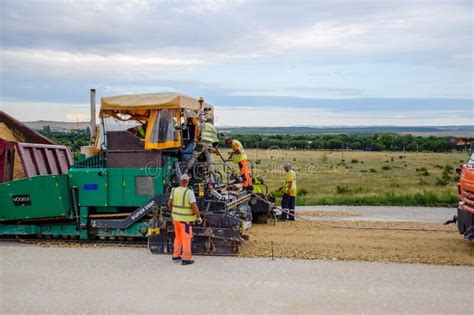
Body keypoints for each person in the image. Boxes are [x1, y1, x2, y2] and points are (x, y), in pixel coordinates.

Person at [167, 174, 202, 265]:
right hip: (185, 221)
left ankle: (176, 256)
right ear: (187, 182)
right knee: (186, 238)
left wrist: (174, 211)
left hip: (176, 219)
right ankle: (186, 258)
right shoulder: (189, 192)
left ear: (180, 181)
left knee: (178, 237)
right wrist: (198, 217)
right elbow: (194, 207)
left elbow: (169, 203)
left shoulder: (174, 190)